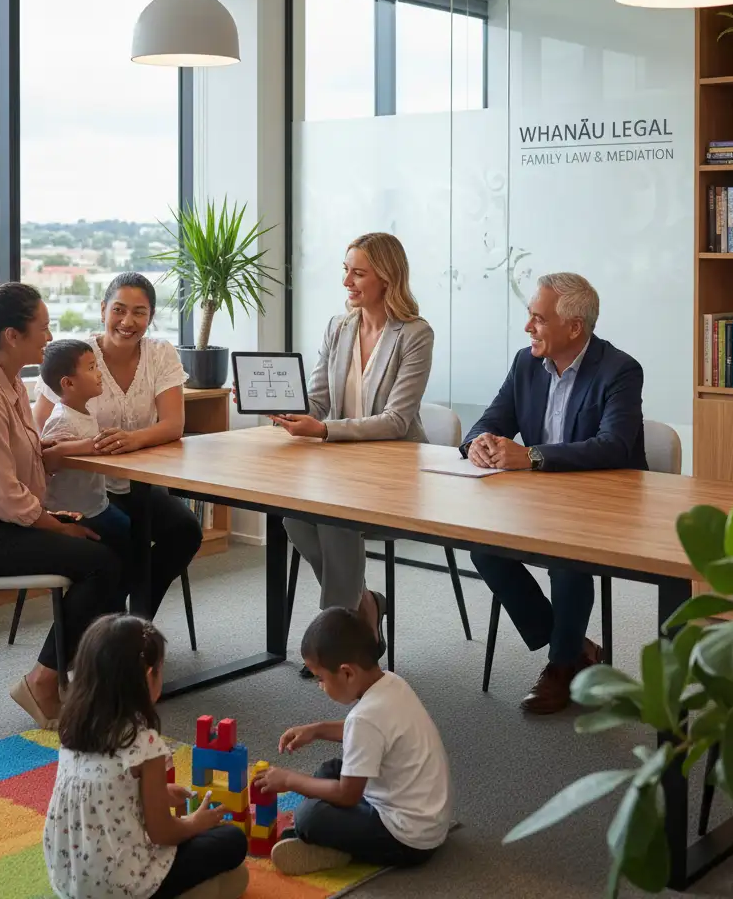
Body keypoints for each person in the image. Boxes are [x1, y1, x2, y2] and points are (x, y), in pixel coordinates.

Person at [0, 276, 125, 730]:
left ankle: (93, 673)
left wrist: (61, 461)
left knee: (114, 539)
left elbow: (23, 463)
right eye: (43, 326)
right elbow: (2, 496)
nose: (51, 337)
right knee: (101, 563)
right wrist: (56, 525)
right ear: (12, 336)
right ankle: (42, 680)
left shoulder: (10, 383)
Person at [461, 272, 646, 715]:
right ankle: (577, 646)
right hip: (536, 500)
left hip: (603, 503)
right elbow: (489, 419)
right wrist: (479, 445)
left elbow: (615, 445)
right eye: (530, 316)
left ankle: (561, 665)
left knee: (568, 563)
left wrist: (534, 457)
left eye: (538, 319)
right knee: (484, 550)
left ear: (574, 328)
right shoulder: (527, 364)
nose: (528, 328)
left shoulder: (620, 370)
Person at [278, 233, 433, 673]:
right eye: (345, 269)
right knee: (292, 513)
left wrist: (324, 430)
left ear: (387, 277)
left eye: (358, 272)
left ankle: (333, 641)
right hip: (341, 468)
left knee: (332, 518)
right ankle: (363, 606)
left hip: (395, 470)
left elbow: (397, 420)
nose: (347, 280)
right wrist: (278, 404)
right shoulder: (338, 326)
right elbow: (319, 401)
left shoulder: (415, 334)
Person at [33, 272, 202, 618]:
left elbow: (174, 425)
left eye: (140, 313)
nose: (128, 322)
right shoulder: (74, 356)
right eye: (119, 310)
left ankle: (135, 622)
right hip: (84, 492)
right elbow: (38, 434)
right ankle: (110, 632)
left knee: (186, 532)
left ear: (151, 318)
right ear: (103, 310)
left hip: (137, 485)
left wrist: (132, 440)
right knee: (120, 552)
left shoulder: (160, 354)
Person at [44, 614, 249, 899]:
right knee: (232, 841)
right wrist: (197, 823)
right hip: (123, 887)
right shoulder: (144, 743)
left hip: (69, 881)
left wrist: (160, 794)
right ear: (148, 675)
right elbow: (162, 833)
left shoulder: (73, 729)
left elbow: (106, 793)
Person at [254, 608, 451, 877]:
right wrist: (317, 730)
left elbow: (348, 795)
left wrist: (289, 780)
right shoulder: (392, 682)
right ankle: (331, 839)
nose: (320, 686)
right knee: (330, 769)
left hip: (407, 840)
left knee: (309, 817)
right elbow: (371, 734)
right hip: (426, 820)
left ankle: (332, 848)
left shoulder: (365, 718)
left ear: (347, 673)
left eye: (321, 678)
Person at [38, 338, 132, 548]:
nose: (99, 373)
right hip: (77, 512)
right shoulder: (62, 419)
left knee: (131, 535)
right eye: (91, 368)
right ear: (68, 383)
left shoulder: (83, 412)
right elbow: (46, 462)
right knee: (128, 542)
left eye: (97, 366)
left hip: (97, 505)